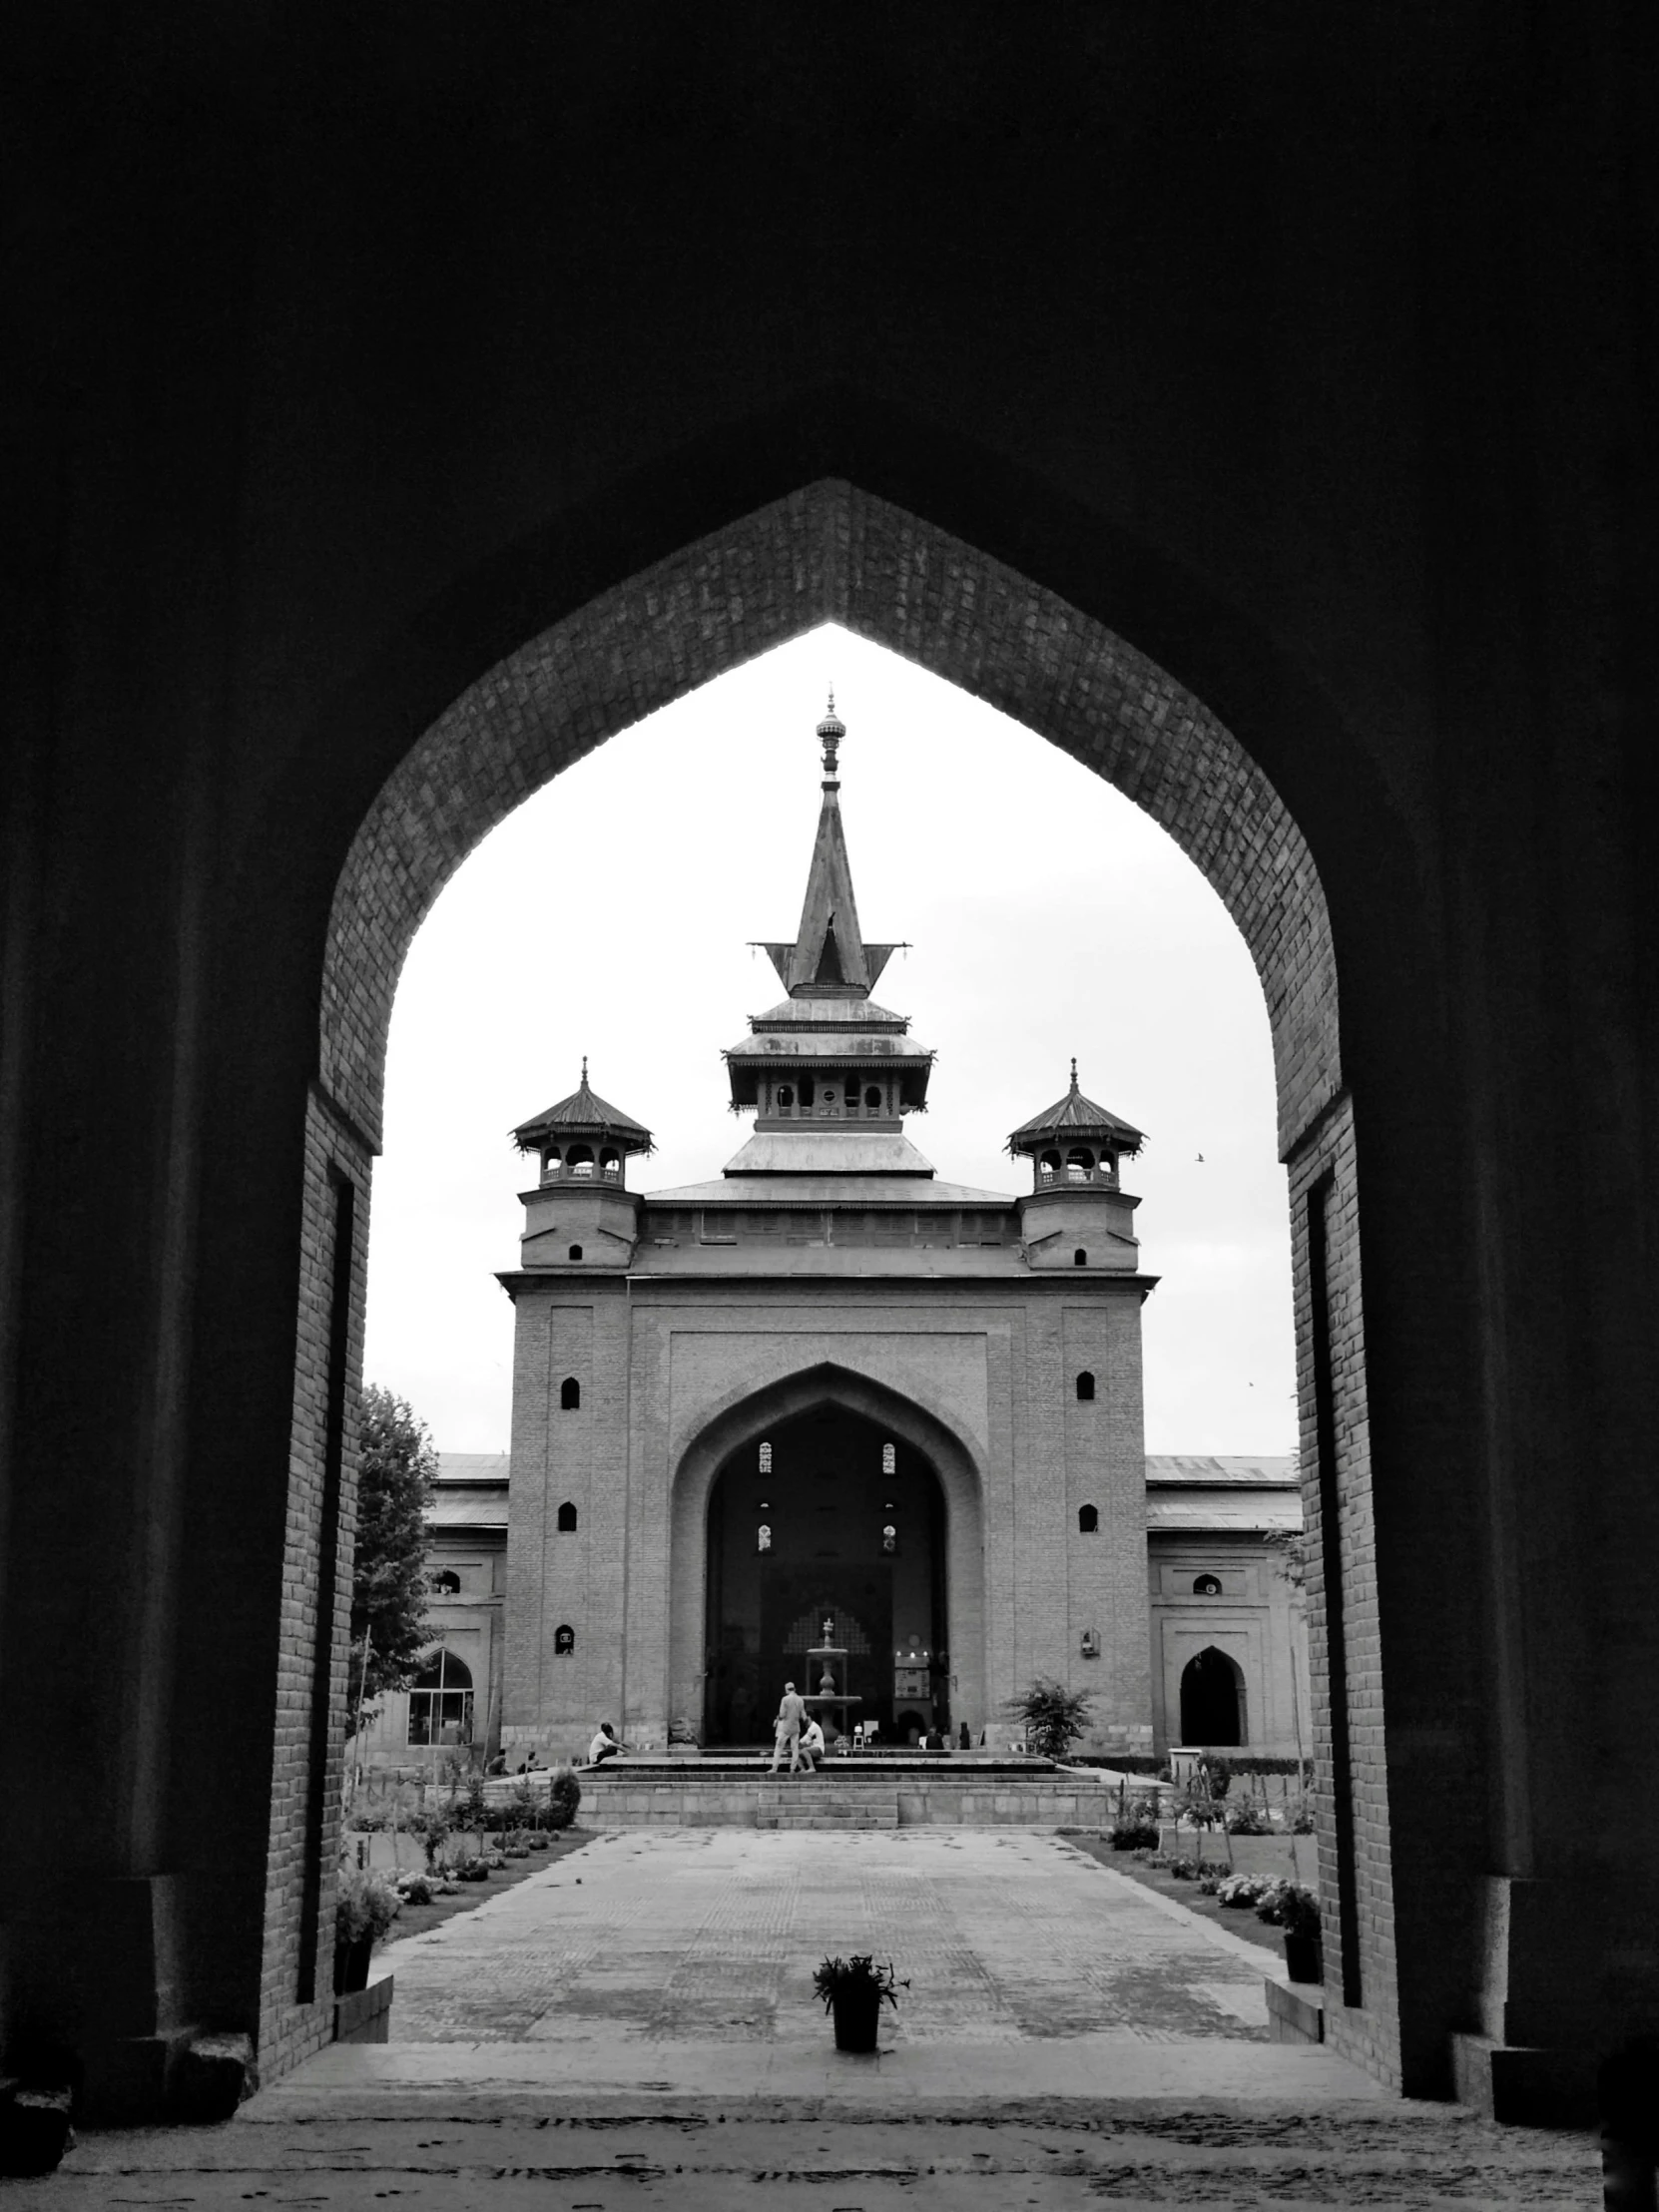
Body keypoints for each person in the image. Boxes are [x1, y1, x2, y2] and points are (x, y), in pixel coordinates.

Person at [768, 1681, 807, 1774]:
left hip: (786, 1727)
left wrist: (777, 1719)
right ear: (794, 1689)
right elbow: (803, 1714)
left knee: (779, 1747)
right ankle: (792, 1769)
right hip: (796, 1727)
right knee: (795, 1748)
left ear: (786, 1690)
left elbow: (782, 1714)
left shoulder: (785, 1699)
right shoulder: (800, 1700)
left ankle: (774, 1768)